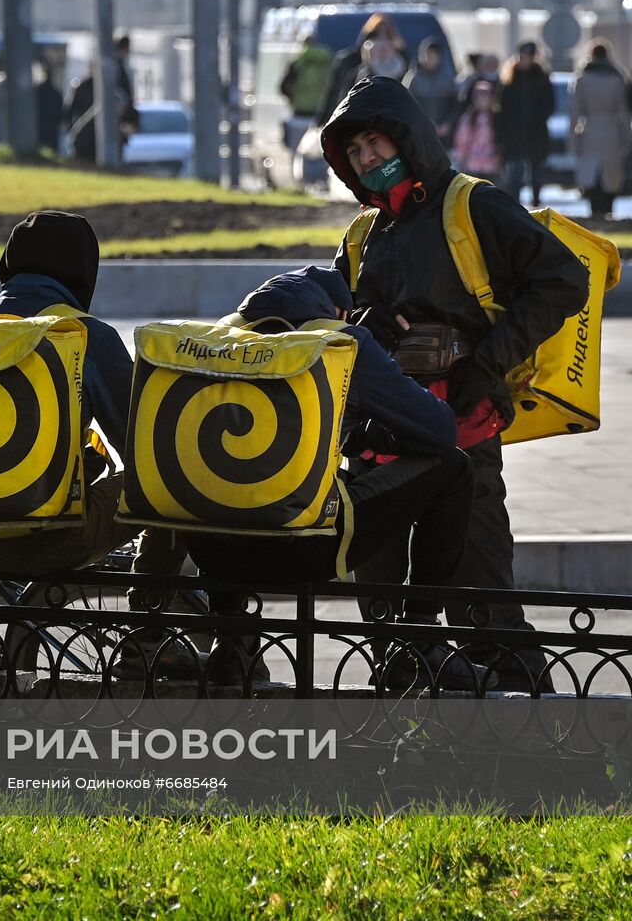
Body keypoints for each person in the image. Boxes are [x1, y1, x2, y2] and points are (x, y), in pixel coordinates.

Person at [321, 76, 588, 691]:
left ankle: (519, 714)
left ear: (406, 138)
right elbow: (333, 316)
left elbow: (563, 280)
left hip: (462, 424)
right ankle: (406, 699)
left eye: (374, 143)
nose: (367, 160)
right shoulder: (364, 234)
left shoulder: (472, 205)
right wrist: (365, 319)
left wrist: (487, 365)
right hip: (378, 435)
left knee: (478, 577)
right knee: (380, 580)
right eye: (354, 152)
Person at [182, 266, 485, 689]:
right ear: (338, 311)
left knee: (226, 484)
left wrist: (352, 434)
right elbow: (438, 431)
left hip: (212, 555)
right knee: (453, 468)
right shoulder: (340, 343)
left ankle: (230, 641)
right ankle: (420, 641)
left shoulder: (217, 343)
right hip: (302, 550)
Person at [0, 212, 190, 676]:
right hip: (50, 536)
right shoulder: (84, 336)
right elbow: (141, 449)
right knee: (169, 476)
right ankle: (146, 637)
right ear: (82, 271)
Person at [570, 40, 631, 220]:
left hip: (589, 132)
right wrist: (626, 141)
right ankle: (608, 213)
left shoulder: (581, 78)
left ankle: (594, 214)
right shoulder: (618, 78)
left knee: (591, 177)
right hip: (611, 133)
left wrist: (573, 142)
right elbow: (624, 114)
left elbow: (574, 114)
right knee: (610, 179)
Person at [317, 13, 408, 125]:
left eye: (387, 39)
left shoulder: (403, 68)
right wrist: (324, 120)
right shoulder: (352, 66)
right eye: (376, 38)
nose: (382, 45)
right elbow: (337, 96)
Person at [496, 41, 555, 207]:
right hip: (514, 133)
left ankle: (536, 202)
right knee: (515, 173)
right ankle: (514, 204)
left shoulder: (542, 77)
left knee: (536, 171)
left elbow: (549, 105)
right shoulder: (510, 77)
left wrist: (537, 119)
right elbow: (501, 107)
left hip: (536, 133)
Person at [404, 38, 458, 145]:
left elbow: (455, 106)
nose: (429, 59)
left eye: (433, 56)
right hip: (419, 133)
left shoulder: (447, 79)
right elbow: (407, 105)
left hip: (443, 136)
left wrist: (447, 123)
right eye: (426, 55)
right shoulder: (413, 78)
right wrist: (425, 123)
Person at [451, 80, 502, 183]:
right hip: (472, 165)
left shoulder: (496, 117)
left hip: (491, 165)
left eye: (486, 97)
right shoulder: (468, 118)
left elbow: (501, 138)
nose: (482, 100)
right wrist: (461, 158)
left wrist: (500, 157)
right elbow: (461, 139)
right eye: (479, 97)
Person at [281, 34, 334, 120]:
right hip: (320, 109)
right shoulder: (328, 62)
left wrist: (292, 98)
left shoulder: (297, 62)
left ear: (303, 45)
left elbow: (283, 87)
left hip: (300, 109)